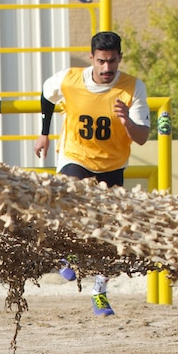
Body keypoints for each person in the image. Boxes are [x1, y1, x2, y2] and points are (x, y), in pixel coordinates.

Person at [33, 31, 150, 315]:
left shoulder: (132, 87)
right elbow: (46, 96)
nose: (107, 68)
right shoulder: (70, 79)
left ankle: (99, 290)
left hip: (112, 164)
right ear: (92, 59)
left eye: (112, 62)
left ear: (120, 59)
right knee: (69, 200)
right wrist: (44, 134)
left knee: (111, 230)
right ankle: (65, 256)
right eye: (101, 62)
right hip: (76, 155)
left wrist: (126, 122)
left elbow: (143, 136)